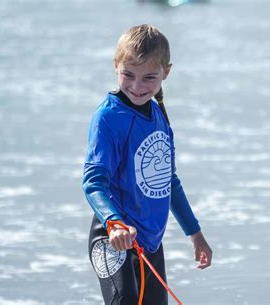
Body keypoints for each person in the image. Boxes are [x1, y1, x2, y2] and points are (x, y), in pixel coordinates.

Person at [82, 24, 212, 305]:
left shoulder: (159, 117)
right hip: (113, 238)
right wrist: (114, 224)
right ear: (115, 66)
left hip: (150, 243)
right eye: (128, 75)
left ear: (166, 72)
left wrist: (195, 233)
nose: (137, 86)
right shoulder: (108, 118)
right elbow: (93, 181)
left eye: (149, 78)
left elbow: (168, 181)